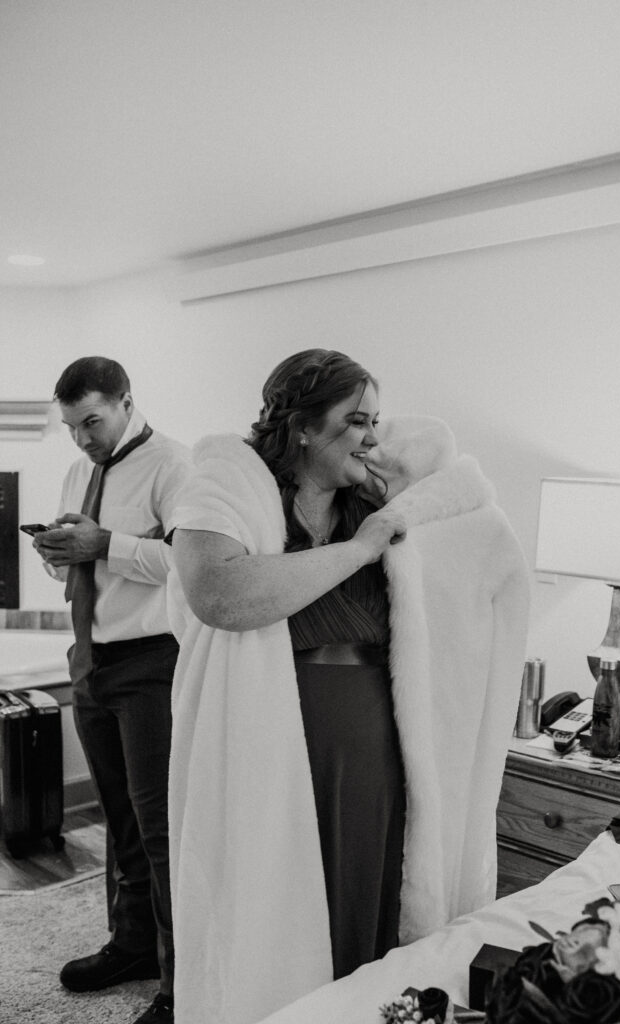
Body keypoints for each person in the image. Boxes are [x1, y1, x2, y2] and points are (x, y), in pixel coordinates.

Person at [166, 349, 530, 1024]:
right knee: (272, 904)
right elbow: (221, 595)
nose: (371, 437)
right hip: (270, 738)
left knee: (367, 894)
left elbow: (481, 540)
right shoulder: (232, 493)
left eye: (375, 422)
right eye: (355, 421)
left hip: (374, 744)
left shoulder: (381, 504)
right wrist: (360, 549)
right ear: (303, 427)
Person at [34, 356, 191, 1024]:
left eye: (92, 422)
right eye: (72, 426)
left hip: (151, 663)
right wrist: (61, 553)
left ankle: (182, 986)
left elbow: (189, 563)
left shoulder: (175, 466)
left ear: (126, 401)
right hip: (90, 658)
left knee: (161, 829)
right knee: (118, 820)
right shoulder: (80, 470)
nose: (82, 439)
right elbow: (88, 561)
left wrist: (106, 545)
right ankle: (132, 947)